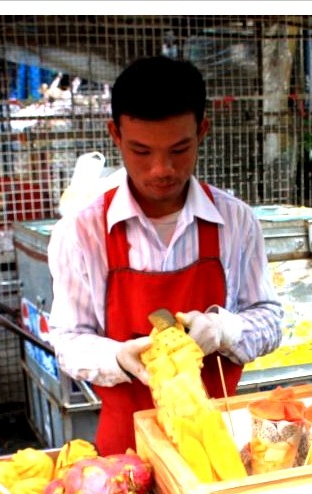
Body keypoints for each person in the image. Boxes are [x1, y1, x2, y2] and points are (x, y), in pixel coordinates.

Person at [47, 55, 283, 456]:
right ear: (115, 136)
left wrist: (223, 331)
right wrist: (117, 357)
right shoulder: (82, 232)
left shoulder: (236, 221)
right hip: (125, 451)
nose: (161, 169)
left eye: (179, 149)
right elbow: (68, 340)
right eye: (141, 151)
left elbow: (271, 319)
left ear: (202, 132)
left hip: (214, 445)